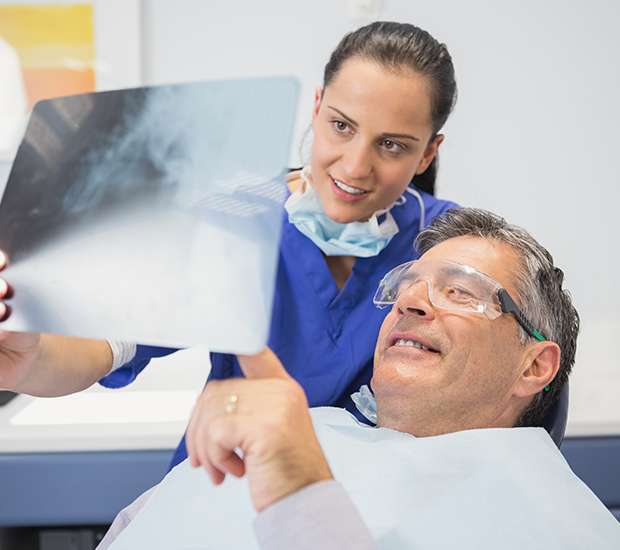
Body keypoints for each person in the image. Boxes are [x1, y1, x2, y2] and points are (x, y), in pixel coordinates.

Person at [0, 21, 458, 468]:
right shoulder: (231, 212)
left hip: (367, 498)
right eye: (341, 126)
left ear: (427, 153)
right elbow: (104, 344)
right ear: (317, 107)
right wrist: (28, 357)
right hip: (227, 485)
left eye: (392, 145)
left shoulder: (450, 244)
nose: (356, 166)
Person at [99, 208, 620, 550]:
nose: (410, 301)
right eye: (406, 285)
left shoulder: (558, 522)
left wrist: (296, 488)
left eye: (460, 291)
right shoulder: (309, 430)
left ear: (534, 366)